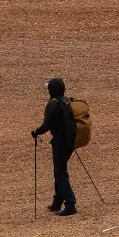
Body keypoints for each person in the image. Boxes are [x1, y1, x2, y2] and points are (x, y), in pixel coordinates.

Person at [32, 76, 78, 216]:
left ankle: (70, 203)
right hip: (70, 142)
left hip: (60, 143)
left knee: (60, 173)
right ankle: (57, 203)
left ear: (51, 90)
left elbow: (46, 126)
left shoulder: (53, 104)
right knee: (59, 172)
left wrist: (35, 132)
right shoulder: (66, 101)